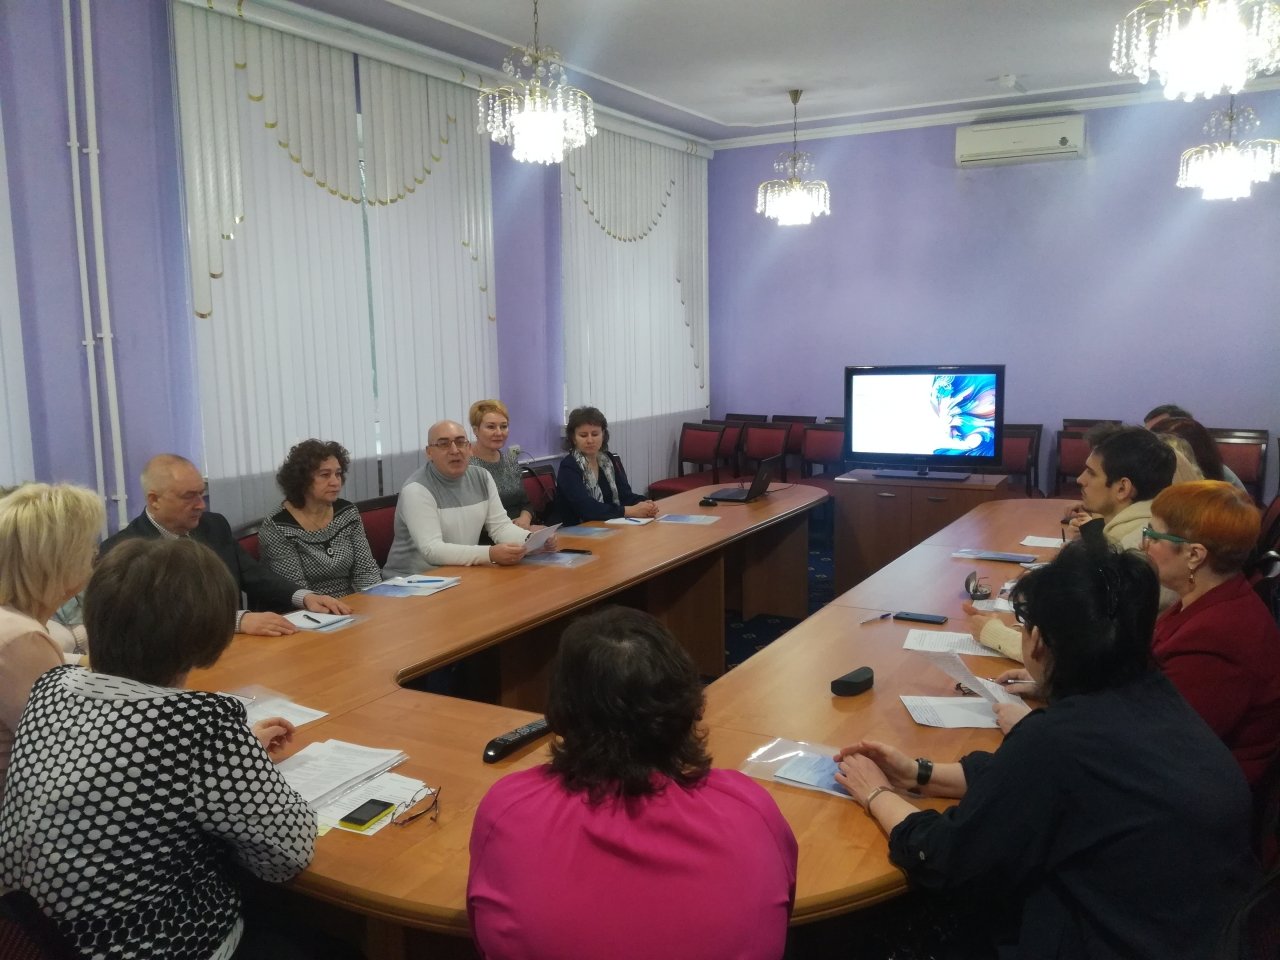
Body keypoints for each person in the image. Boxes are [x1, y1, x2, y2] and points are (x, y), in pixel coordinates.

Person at [834, 541, 1256, 959]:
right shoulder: (1151, 696)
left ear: (1037, 641)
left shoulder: (1061, 739)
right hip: (1199, 931)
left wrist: (877, 793)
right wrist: (918, 773)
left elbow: (945, 858)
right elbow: (1029, 784)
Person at [0, 538, 320, 959]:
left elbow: (122, 759)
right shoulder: (197, 723)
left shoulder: (50, 687)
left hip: (47, 938)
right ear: (207, 636)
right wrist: (233, 757)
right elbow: (288, 854)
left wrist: (238, 753)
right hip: (156, 944)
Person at [468, 607, 797, 960]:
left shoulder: (507, 811)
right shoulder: (750, 812)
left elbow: (483, 932)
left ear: (560, 712)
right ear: (690, 706)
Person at [100, 454, 352, 637]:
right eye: (189, 497)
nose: (201, 505)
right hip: (177, 657)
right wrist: (237, 621)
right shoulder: (124, 551)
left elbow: (254, 575)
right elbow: (155, 617)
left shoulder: (213, 525)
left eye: (201, 493)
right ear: (154, 500)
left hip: (237, 648)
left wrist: (304, 597)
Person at [1142, 480, 1280, 786]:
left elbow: (1161, 743)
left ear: (1194, 555)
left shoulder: (1217, 638)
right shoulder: (1209, 599)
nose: (1144, 545)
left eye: (1153, 535)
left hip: (1198, 792)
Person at [0, 483, 103, 799]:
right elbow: (69, 752)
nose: (94, 554)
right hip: (25, 810)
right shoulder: (22, 639)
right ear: (59, 559)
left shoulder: (13, 624)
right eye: (87, 546)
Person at [382, 420, 535, 577]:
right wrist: (490, 554)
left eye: (461, 442)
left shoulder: (482, 477)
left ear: (469, 448)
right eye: (443, 444)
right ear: (429, 452)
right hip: (412, 580)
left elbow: (500, 527)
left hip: (459, 573)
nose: (454, 450)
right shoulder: (416, 489)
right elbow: (432, 550)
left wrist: (532, 541)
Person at [258, 439, 381, 595]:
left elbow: (366, 571)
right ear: (302, 480)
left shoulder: (347, 512)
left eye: (338, 474)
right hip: (305, 606)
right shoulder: (277, 526)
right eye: (325, 475)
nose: (335, 482)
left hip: (351, 601)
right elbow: (296, 591)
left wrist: (377, 600)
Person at [555, 406, 657, 525]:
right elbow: (586, 508)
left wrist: (645, 503)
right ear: (573, 438)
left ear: (603, 434)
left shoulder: (609, 460)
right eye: (583, 435)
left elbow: (625, 496)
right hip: (579, 529)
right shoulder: (568, 466)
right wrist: (629, 511)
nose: (590, 440)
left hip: (611, 525)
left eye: (595, 434)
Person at [469, 399, 535, 529]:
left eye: (503, 426)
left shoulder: (510, 461)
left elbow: (526, 503)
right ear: (475, 430)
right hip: (487, 536)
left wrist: (525, 518)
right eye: (491, 427)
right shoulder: (466, 465)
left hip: (520, 531)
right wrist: (509, 529)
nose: (499, 433)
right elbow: (469, 516)